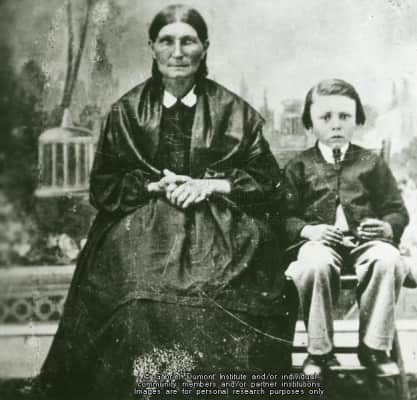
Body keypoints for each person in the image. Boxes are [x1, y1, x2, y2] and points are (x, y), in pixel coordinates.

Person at [35, 5, 296, 399]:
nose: (177, 52)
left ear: (204, 47)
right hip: (143, 227)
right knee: (139, 295)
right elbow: (104, 187)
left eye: (188, 41)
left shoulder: (236, 112)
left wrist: (209, 186)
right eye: (166, 41)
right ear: (152, 47)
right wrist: (154, 186)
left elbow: (268, 183)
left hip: (223, 230)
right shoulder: (126, 111)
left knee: (219, 294)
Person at [281, 78, 416, 377]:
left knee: (388, 259)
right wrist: (308, 231)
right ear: (310, 123)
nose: (336, 125)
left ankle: (373, 347)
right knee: (313, 264)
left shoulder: (371, 162)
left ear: (357, 120)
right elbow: (283, 217)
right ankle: (320, 351)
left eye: (345, 116)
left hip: (365, 244)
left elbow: (397, 210)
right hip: (319, 245)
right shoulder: (298, 166)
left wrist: (386, 227)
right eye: (325, 117)